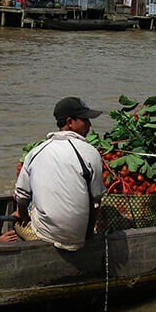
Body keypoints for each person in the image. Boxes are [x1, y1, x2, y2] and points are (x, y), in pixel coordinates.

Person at [14, 97, 106, 250]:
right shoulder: (90, 152)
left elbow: (22, 195)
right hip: (80, 236)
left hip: (47, 235)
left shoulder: (36, 152)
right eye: (85, 119)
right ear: (70, 122)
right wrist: (88, 233)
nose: (90, 125)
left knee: (22, 215)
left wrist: (22, 215)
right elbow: (96, 199)